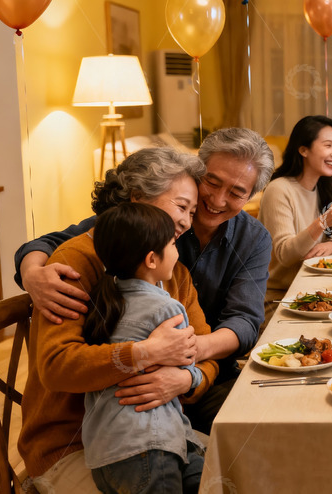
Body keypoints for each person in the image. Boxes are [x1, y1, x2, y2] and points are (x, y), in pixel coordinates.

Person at [14, 128, 275, 430]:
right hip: (104, 420)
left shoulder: (232, 246)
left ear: (251, 196)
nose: (216, 200)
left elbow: (243, 321)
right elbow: (61, 243)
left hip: (191, 386)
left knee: (262, 423)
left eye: (236, 192)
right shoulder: (118, 236)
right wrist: (32, 272)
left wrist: (185, 363)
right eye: (211, 183)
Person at [18, 148, 218, 494]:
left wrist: (185, 379)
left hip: (160, 430)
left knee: (236, 474)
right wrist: (143, 354)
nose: (187, 221)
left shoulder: (174, 273)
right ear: (138, 198)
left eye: (192, 211)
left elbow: (205, 351)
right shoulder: (73, 262)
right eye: (181, 206)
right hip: (73, 444)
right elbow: (56, 367)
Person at [83, 203, 204, 494]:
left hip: (105, 453)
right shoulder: (166, 308)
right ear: (152, 259)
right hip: (149, 448)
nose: (177, 250)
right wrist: (195, 378)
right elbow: (188, 363)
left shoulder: (102, 300)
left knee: (203, 474)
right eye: (173, 243)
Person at [259, 115, 332, 308]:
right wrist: (321, 223)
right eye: (328, 145)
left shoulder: (323, 186)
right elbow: (285, 254)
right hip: (280, 298)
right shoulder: (279, 189)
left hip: (312, 291)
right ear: (303, 150)